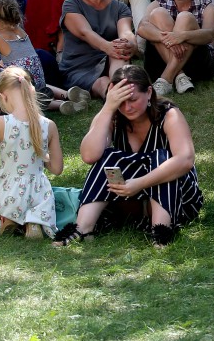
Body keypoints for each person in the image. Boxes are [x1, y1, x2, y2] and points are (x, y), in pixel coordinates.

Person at [53, 66, 203, 248]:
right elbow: (89, 155)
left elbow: (185, 160)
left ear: (149, 92)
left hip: (177, 198)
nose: (127, 107)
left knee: (161, 157)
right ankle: (82, 228)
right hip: (132, 200)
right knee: (108, 156)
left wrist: (139, 183)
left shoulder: (169, 115)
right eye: (121, 101)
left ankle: (161, 231)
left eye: (133, 100)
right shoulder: (113, 115)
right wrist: (108, 107)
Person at [0, 66, 64, 239]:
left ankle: (9, 217)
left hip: (8, 191)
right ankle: (32, 221)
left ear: (3, 96)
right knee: (33, 205)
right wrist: (41, 154)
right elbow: (57, 169)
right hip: (39, 194)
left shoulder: (2, 123)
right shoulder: (49, 125)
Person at [0, 0, 83, 118]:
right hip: (38, 82)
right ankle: (66, 96)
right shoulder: (21, 31)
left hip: (21, 86)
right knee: (33, 89)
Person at [59, 0, 136, 98]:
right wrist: (108, 46)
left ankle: (121, 91)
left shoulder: (120, 7)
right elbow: (85, 32)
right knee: (103, 81)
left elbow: (126, 32)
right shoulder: (71, 4)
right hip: (79, 66)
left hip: (110, 59)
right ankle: (119, 96)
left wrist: (130, 44)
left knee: (120, 49)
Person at [138, 0, 214, 96]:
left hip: (197, 62)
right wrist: (167, 38)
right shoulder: (159, 2)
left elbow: (209, 35)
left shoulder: (207, 6)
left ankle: (166, 78)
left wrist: (182, 36)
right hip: (160, 61)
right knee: (158, 14)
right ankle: (179, 75)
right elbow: (141, 28)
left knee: (185, 18)